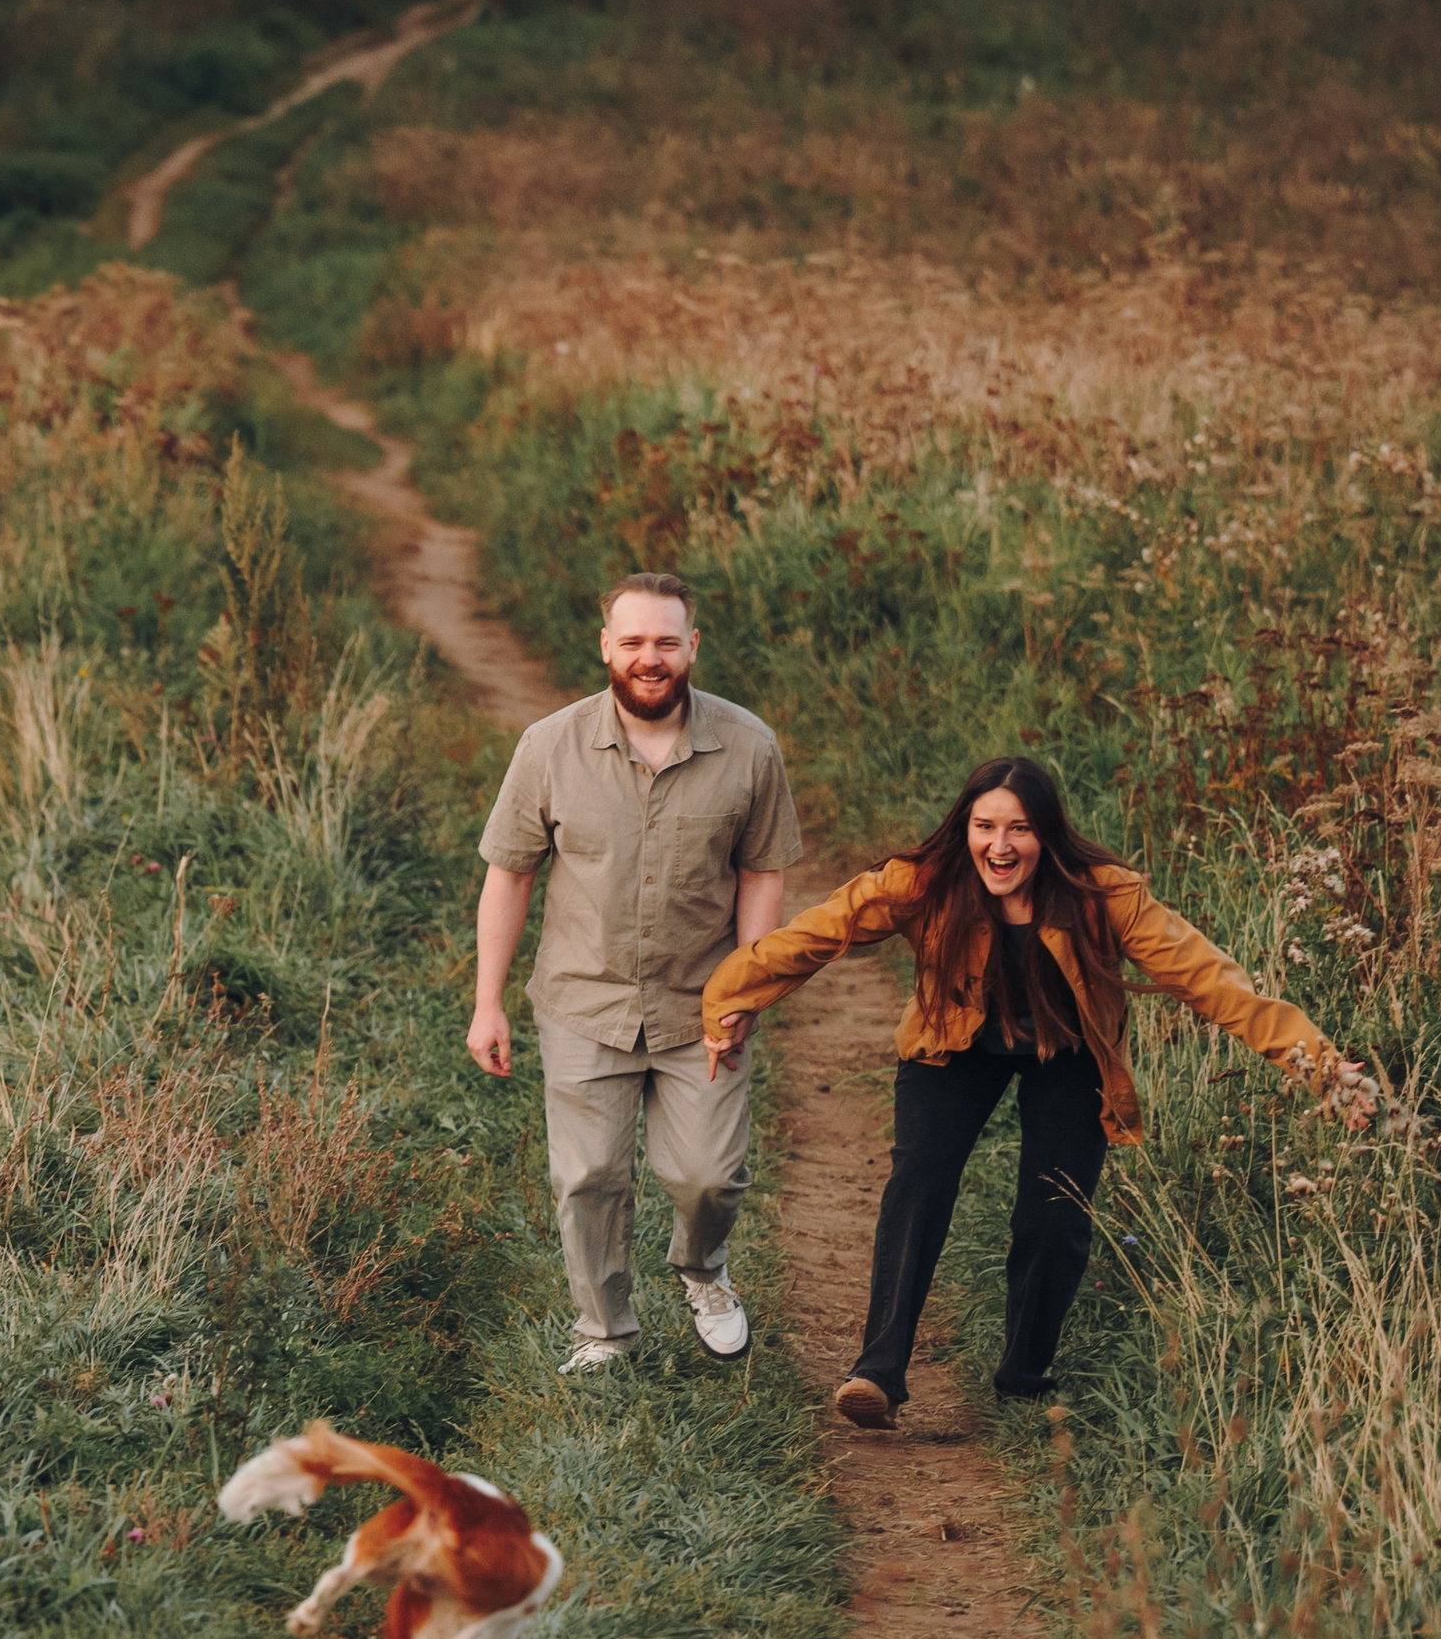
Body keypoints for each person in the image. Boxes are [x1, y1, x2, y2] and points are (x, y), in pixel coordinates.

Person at [701, 756, 1368, 1427]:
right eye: (985, 827)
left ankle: (1024, 1380)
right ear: (965, 828)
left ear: (1046, 834)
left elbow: (1212, 981)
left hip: (1069, 1051)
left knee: (1056, 1216)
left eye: (1019, 828)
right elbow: (814, 936)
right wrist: (727, 1000)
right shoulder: (924, 883)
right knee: (919, 1182)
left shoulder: (1103, 895)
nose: (1000, 845)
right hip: (951, 1044)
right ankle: (877, 1373)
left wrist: (1324, 1070)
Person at [472, 572, 802, 1372]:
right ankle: (605, 1333)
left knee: (709, 1178)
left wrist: (747, 988)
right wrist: (489, 1004)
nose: (648, 659)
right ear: (605, 648)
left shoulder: (748, 746)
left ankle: (704, 1271)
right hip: (585, 1001)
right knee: (587, 1178)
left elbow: (763, 872)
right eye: (632, 642)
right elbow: (510, 874)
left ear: (692, 646)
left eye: (665, 642)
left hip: (704, 1006)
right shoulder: (549, 747)